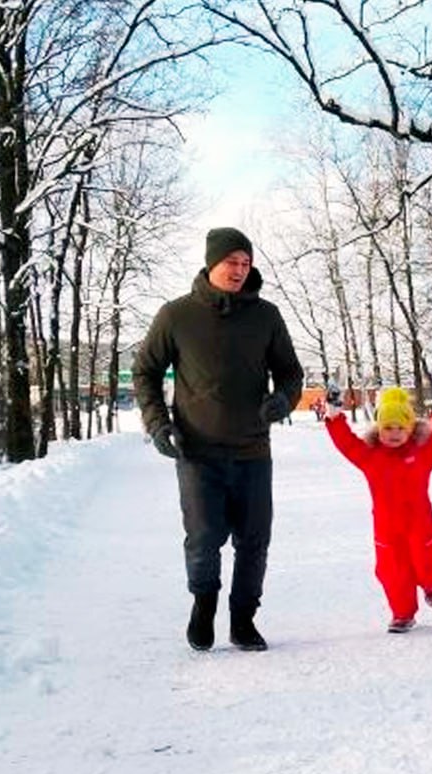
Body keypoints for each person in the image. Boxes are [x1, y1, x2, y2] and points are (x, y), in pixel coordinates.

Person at [132, 227, 303, 652]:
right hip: (196, 450)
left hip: (252, 450)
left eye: (246, 264)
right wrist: (158, 424)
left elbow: (291, 373)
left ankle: (243, 619)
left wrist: (283, 400)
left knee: (254, 539)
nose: (240, 271)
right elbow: (145, 372)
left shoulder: (266, 316)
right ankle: (203, 605)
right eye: (232, 262)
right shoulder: (176, 316)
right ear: (212, 263)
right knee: (204, 537)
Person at [315, 386, 432, 633]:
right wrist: (335, 416)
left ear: (410, 429)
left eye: (401, 427)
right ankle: (402, 614)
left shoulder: (422, 454)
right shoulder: (370, 457)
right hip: (387, 527)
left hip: (420, 523)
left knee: (428, 565)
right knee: (392, 571)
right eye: (388, 427)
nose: (394, 433)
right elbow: (347, 444)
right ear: (378, 429)